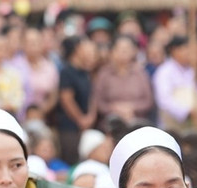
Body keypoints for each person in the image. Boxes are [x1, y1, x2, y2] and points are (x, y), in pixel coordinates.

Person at [92, 35, 154, 126]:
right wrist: (115, 108)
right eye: (120, 48)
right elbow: (98, 101)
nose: (124, 51)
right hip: (110, 122)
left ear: (134, 51)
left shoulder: (141, 73)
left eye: (127, 48)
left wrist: (131, 108)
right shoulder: (104, 73)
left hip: (137, 121)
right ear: (112, 51)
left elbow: (148, 101)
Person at [56, 36, 98, 165]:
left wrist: (91, 116)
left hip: (87, 125)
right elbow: (66, 99)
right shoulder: (66, 72)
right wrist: (81, 119)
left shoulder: (86, 72)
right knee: (71, 160)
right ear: (76, 50)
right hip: (69, 127)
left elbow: (92, 95)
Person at [152, 35, 197, 130]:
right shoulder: (164, 71)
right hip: (172, 119)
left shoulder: (191, 70)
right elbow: (164, 100)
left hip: (194, 117)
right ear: (175, 50)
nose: (190, 53)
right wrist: (186, 111)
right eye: (186, 49)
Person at [12, 28, 60, 122]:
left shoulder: (49, 66)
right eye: (30, 42)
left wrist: (39, 112)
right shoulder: (13, 66)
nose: (34, 45)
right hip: (17, 117)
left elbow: (53, 95)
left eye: (37, 42)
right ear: (22, 44)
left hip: (40, 117)